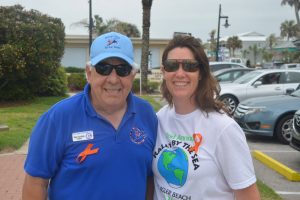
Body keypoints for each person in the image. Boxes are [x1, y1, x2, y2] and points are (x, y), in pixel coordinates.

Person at [22, 32, 157, 200]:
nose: (113, 79)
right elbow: (36, 182)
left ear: (132, 74)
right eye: (103, 68)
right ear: (89, 72)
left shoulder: (147, 114)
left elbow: (150, 177)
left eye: (122, 69)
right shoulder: (58, 118)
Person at [152, 35, 260, 200]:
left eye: (189, 66)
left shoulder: (223, 128)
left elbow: (248, 195)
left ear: (201, 72)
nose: (180, 73)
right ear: (164, 71)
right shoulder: (159, 119)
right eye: (172, 65)